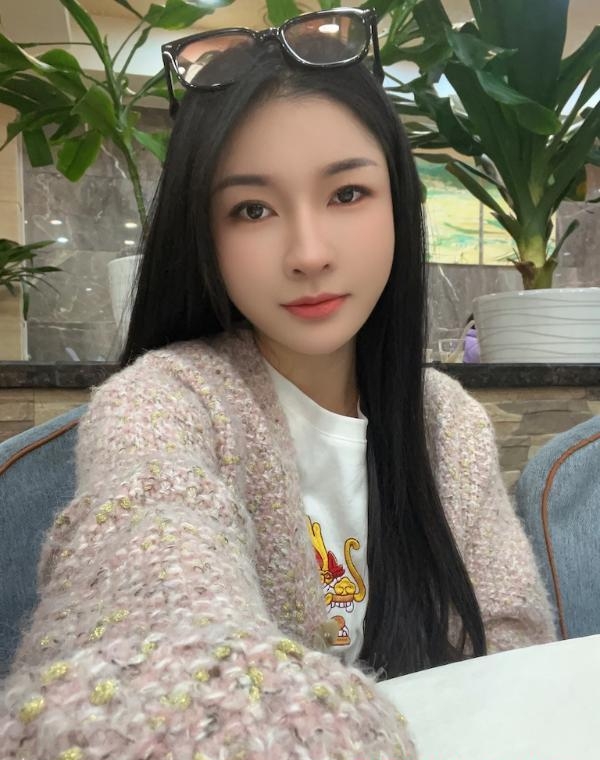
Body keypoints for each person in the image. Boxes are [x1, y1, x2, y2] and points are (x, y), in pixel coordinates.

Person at [0, 8, 555, 759]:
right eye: (252, 209)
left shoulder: (445, 421)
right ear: (204, 232)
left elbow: (513, 645)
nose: (308, 252)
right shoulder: (164, 403)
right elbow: (151, 595)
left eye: (347, 194)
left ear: (401, 203)